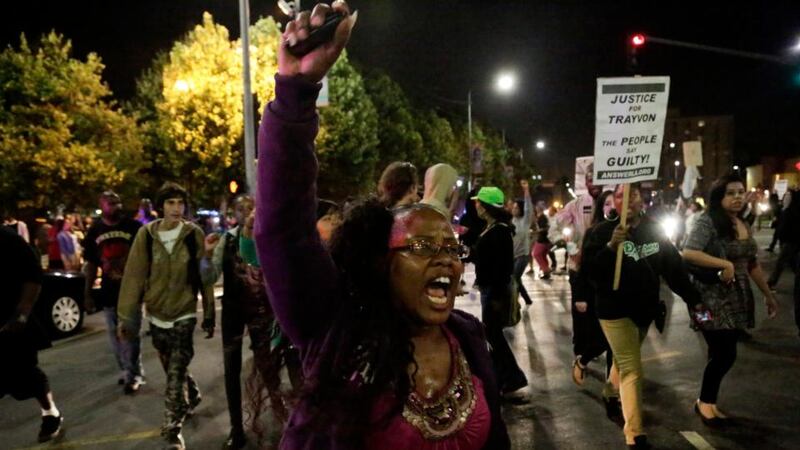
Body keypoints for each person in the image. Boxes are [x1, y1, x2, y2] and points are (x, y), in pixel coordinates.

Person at [253, 4, 510, 447]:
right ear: (380, 262)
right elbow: (283, 229)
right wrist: (296, 91)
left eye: (450, 247)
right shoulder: (336, 330)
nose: (446, 258)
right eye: (423, 247)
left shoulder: (467, 338)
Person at [582, 183, 706, 449]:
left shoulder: (654, 230)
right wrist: (610, 248)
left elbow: (673, 268)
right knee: (631, 367)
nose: (626, 199)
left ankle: (608, 391)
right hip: (614, 311)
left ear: (641, 199)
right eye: (619, 195)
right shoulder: (600, 232)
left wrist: (694, 299)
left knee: (624, 359)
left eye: (633, 193)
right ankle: (635, 432)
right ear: (613, 201)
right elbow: (591, 273)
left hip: (644, 310)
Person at [118, 182, 216, 450]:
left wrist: (208, 311)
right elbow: (134, 277)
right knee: (172, 365)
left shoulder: (192, 234)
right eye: (171, 203)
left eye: (180, 203)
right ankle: (191, 394)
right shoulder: (146, 236)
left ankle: (172, 429)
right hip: (157, 314)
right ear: (160, 206)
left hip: (184, 312)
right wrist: (126, 318)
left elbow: (205, 277)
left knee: (175, 372)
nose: (176, 208)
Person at [682, 174, 779, 424]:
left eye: (740, 192)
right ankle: (705, 403)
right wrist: (723, 263)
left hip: (736, 297)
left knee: (720, 353)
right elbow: (689, 252)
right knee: (725, 354)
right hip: (706, 299)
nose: (737, 197)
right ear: (719, 197)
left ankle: (707, 402)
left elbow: (752, 264)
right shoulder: (708, 222)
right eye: (730, 193)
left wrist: (768, 295)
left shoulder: (741, 223)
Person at [200, 194, 258, 449]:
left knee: (267, 368)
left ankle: (278, 414)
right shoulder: (227, 239)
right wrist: (206, 255)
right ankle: (237, 429)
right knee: (231, 370)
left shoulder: (265, 235)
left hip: (262, 311)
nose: (246, 212)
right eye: (240, 209)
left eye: (250, 208)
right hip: (234, 309)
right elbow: (210, 277)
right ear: (234, 214)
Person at [0, 227, 63, 443]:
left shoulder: (8, 240)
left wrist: (23, 312)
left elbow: (33, 276)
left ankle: (50, 412)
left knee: (25, 375)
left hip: (10, 321)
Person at [83, 191, 145, 394]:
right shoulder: (95, 231)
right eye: (111, 203)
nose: (116, 206)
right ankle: (127, 369)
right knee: (114, 336)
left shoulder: (133, 227)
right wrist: (88, 292)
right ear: (102, 205)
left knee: (129, 333)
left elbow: (147, 258)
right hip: (109, 291)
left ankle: (133, 374)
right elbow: (91, 264)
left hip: (132, 290)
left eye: (118, 202)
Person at [472, 186, 528, 397]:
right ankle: (499, 379)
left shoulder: (500, 231)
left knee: (494, 336)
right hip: (488, 290)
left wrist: (496, 296)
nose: (475, 205)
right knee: (492, 336)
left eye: (478, 202)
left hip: (494, 293)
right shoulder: (492, 228)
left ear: (486, 207)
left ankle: (513, 378)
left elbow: (503, 268)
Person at [571, 190, 619, 417]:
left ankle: (612, 393)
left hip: (621, 296)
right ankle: (584, 359)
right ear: (601, 208)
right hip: (598, 295)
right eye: (606, 203)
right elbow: (584, 267)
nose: (611, 207)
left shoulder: (627, 231)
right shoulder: (594, 232)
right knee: (603, 340)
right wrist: (580, 296)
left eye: (615, 202)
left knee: (615, 348)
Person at [510, 180, 534, 305]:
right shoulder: (511, 221)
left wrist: (526, 191)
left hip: (523, 255)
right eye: (513, 207)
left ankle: (516, 301)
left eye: (516, 207)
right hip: (512, 255)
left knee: (514, 278)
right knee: (515, 278)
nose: (513, 209)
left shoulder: (525, 220)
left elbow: (528, 207)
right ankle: (527, 299)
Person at [532, 204, 553, 280]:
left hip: (542, 239)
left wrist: (536, 231)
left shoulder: (542, 217)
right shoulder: (542, 217)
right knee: (543, 256)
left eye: (537, 207)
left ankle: (546, 270)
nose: (536, 208)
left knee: (536, 254)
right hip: (546, 239)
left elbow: (545, 228)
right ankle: (546, 273)